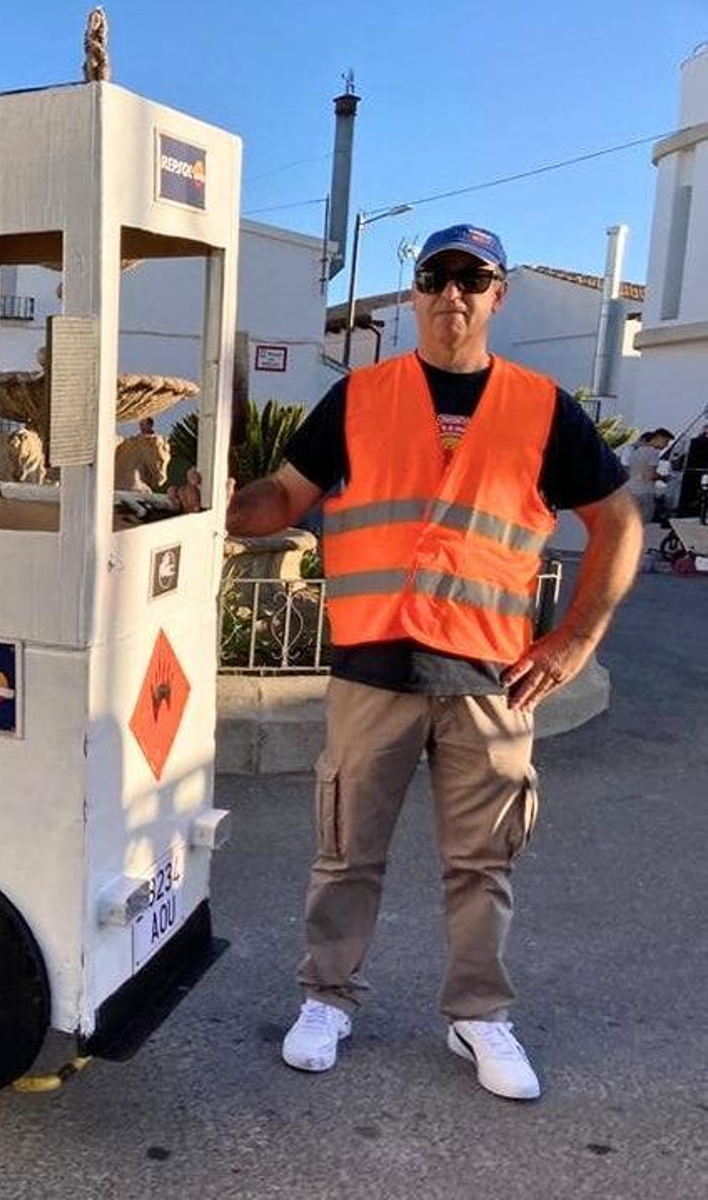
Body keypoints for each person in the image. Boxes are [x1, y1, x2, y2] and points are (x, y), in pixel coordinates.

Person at [225, 224, 640, 1101]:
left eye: (472, 278)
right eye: (435, 277)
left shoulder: (542, 407)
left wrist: (573, 641)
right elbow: (285, 497)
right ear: (414, 294)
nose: (452, 293)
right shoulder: (361, 397)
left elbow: (620, 521)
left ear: (497, 296)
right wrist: (225, 504)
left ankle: (478, 1017)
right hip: (374, 671)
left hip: (489, 681)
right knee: (345, 854)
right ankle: (327, 1000)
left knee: (483, 864)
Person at [114, 416, 172, 493]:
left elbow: (159, 461)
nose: (141, 426)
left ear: (149, 425)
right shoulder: (135, 440)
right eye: (140, 424)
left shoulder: (155, 441)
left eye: (143, 424)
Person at [626, 428, 672, 524]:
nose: (666, 445)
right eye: (666, 441)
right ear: (659, 438)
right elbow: (651, 475)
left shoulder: (636, 451)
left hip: (631, 491)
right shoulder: (653, 453)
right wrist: (664, 477)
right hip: (645, 492)